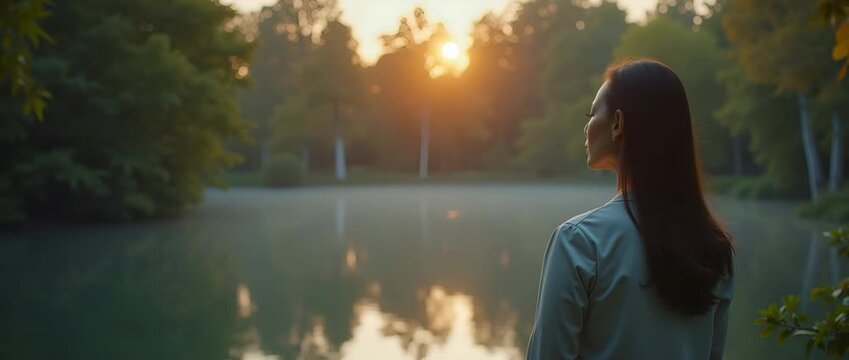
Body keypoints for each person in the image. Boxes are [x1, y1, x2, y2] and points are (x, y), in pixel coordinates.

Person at [526, 59, 735, 360]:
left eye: (592, 112)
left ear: (618, 124)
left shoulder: (580, 242)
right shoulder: (715, 248)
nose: (586, 126)